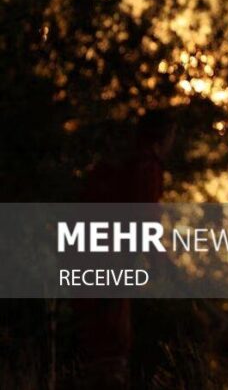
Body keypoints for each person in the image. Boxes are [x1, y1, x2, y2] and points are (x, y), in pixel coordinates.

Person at [72, 109, 175, 388]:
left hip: (83, 256)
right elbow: (145, 218)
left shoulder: (119, 164)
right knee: (112, 344)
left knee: (95, 343)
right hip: (111, 261)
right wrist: (160, 263)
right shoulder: (146, 165)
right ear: (164, 137)